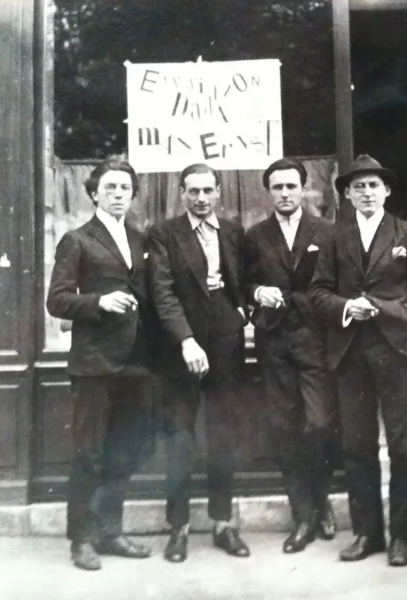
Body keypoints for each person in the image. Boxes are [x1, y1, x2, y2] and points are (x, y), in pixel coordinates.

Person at [309, 155, 407, 567]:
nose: (366, 192)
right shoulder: (336, 237)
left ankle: (402, 535)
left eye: (374, 185)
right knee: (357, 445)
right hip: (350, 352)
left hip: (396, 351)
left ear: (386, 191)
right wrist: (348, 307)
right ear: (347, 194)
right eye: (358, 187)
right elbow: (317, 293)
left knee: (402, 446)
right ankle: (367, 532)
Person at [46, 158, 153, 571]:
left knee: (123, 455)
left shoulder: (140, 240)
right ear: (94, 194)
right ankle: (81, 540)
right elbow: (56, 300)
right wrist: (98, 302)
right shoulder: (77, 240)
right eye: (109, 187)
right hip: (94, 364)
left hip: (135, 363)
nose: (118, 194)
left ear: (132, 194)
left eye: (125, 188)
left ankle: (110, 532)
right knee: (89, 454)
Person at [148, 163, 250, 563]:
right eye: (193, 191)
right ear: (181, 193)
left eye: (208, 190)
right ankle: (179, 528)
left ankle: (223, 524)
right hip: (181, 351)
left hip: (226, 346)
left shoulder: (233, 232)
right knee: (180, 438)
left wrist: (242, 314)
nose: (201, 199)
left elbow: (245, 281)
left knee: (223, 435)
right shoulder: (164, 234)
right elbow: (163, 292)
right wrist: (187, 340)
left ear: (219, 191)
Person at [244, 158, 337, 554]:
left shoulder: (328, 232)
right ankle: (303, 516)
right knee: (285, 426)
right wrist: (256, 293)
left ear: (304, 189)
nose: (284, 193)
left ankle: (322, 498)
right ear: (269, 192)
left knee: (318, 424)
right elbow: (243, 282)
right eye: (277, 187)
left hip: (316, 341)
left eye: (291, 186)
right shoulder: (255, 236)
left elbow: (336, 283)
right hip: (275, 342)